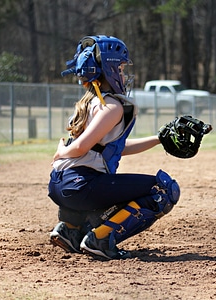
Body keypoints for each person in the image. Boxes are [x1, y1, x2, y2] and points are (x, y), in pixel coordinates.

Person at [48, 35, 180, 260]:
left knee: (106, 183)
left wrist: (158, 139)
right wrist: (62, 150)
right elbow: (80, 147)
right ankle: (100, 238)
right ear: (107, 70)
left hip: (61, 184)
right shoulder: (112, 106)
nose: (122, 74)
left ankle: (71, 229)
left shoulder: (89, 102)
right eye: (118, 68)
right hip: (80, 185)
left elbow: (111, 148)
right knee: (164, 190)